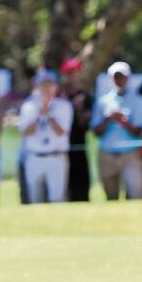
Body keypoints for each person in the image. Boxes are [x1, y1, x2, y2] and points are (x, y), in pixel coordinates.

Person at [91, 61, 142, 201]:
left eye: (122, 77)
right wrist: (108, 120)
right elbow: (96, 132)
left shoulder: (138, 100)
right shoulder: (102, 101)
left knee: (135, 193)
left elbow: (138, 131)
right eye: (116, 77)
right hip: (107, 153)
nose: (119, 80)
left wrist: (122, 121)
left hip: (130, 154)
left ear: (128, 78)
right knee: (110, 195)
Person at [19, 70, 73, 203]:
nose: (46, 89)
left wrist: (48, 114)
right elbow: (25, 132)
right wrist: (39, 115)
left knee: (57, 198)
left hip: (56, 156)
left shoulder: (64, 106)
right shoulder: (28, 106)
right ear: (37, 87)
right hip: (34, 156)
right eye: (43, 85)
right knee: (35, 198)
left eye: (49, 85)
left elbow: (62, 132)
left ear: (55, 87)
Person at [60, 57, 93, 202]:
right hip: (60, 149)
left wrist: (77, 109)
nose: (72, 76)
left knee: (81, 189)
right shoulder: (58, 97)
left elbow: (85, 126)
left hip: (79, 148)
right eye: (69, 73)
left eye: (75, 72)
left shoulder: (86, 97)